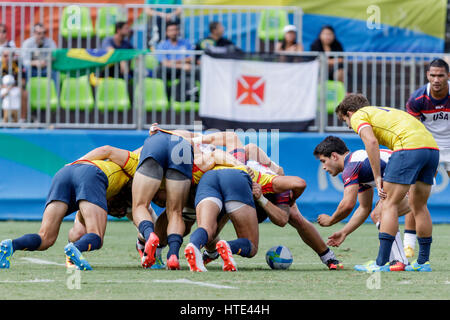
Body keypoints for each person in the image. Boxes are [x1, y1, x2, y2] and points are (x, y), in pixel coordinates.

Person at [335, 93, 439, 272]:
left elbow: (371, 142)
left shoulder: (359, 115)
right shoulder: (385, 111)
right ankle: (423, 263)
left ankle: (381, 263)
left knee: (388, 204)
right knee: (419, 206)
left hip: (409, 147)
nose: (349, 126)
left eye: (345, 120)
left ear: (349, 113)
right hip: (432, 149)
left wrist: (377, 177)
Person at [0, 145, 139, 270]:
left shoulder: (120, 169)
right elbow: (106, 149)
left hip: (64, 173)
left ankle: (12, 245)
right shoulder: (135, 165)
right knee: (96, 236)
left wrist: (76, 162)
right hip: (90, 176)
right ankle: (75, 247)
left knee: (45, 238)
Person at [313, 136, 409, 270]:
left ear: (334, 156)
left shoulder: (350, 166)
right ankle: (399, 260)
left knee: (381, 214)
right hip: (415, 177)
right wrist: (344, 232)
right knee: (379, 213)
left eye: (323, 161)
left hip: (411, 178)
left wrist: (331, 220)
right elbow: (364, 208)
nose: (323, 167)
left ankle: (399, 261)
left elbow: (347, 204)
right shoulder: (358, 163)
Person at [404, 58, 450, 258]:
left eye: (440, 75)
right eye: (433, 75)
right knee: (414, 199)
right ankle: (408, 246)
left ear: (448, 76)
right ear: (427, 76)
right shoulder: (417, 99)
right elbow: (413, 129)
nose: (436, 79)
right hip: (428, 147)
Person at [1, 49, 28, 122]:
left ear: (13, 56)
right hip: (2, 88)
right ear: (2, 56)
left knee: (24, 94)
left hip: (15, 88)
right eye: (5, 56)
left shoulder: (18, 64)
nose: (8, 58)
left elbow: (23, 81)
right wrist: (5, 88)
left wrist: (12, 87)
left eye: (10, 56)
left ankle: (22, 119)